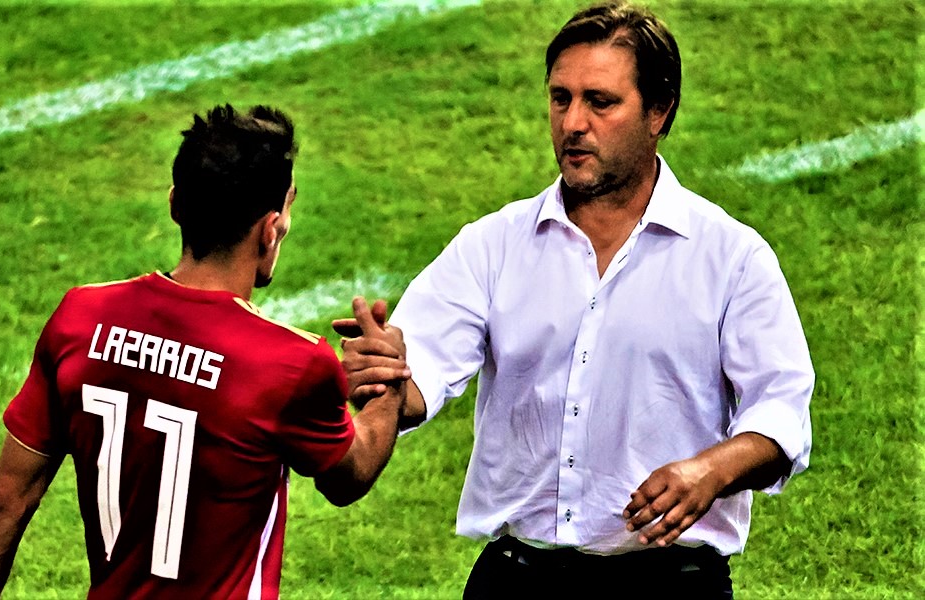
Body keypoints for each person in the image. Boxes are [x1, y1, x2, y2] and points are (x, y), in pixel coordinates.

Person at [335, 2, 814, 597]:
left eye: (600, 102)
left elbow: (781, 411)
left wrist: (710, 471)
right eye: (560, 99)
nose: (573, 123)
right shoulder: (492, 245)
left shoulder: (732, 257)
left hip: (671, 584)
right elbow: (417, 380)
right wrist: (383, 374)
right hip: (518, 580)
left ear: (659, 111)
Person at [0, 104, 409, 600]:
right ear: (270, 228)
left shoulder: (80, 319)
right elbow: (349, 475)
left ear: (175, 204)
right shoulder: (293, 364)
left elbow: (5, 499)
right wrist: (387, 379)